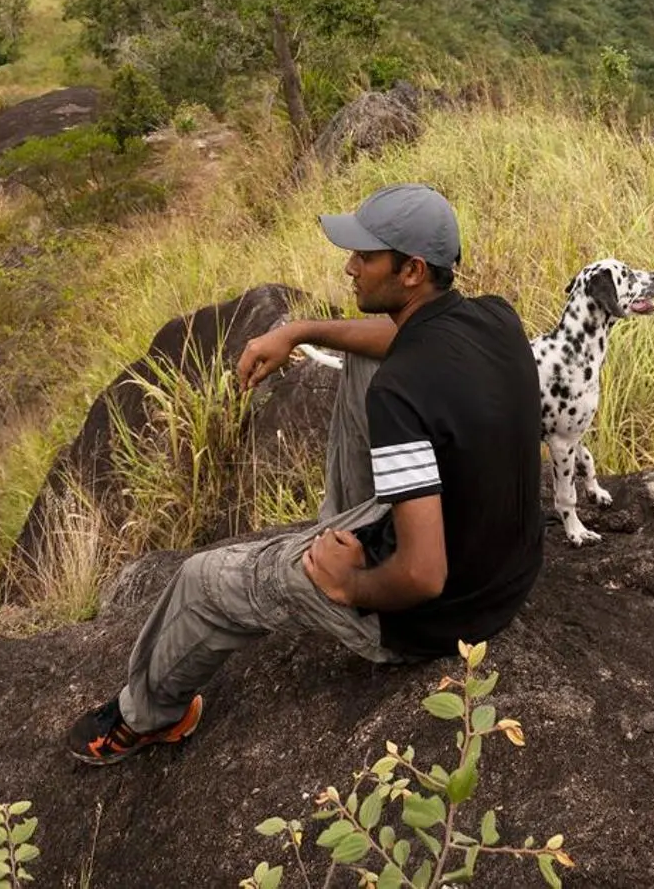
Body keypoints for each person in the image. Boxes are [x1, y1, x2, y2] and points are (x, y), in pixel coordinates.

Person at [67, 181, 544, 765]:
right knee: (365, 361)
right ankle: (339, 528)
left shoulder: (404, 393)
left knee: (201, 581)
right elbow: (398, 339)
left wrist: (351, 585)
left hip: (438, 619)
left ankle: (148, 717)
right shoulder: (495, 317)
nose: (350, 268)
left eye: (365, 257)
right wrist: (299, 330)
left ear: (412, 269)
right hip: (506, 574)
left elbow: (422, 575)